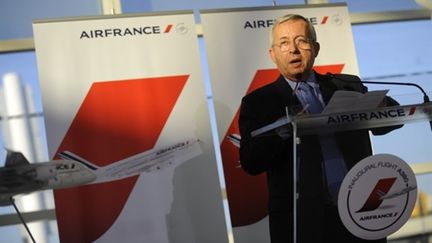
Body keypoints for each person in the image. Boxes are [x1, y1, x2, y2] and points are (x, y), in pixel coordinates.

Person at [238, 14, 402, 243]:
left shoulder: (346, 85)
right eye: (284, 43)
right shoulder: (259, 102)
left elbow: (391, 121)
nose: (293, 50)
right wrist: (285, 130)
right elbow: (250, 160)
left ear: (315, 48)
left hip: (362, 211)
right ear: (272, 54)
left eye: (301, 41)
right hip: (302, 222)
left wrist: (383, 105)